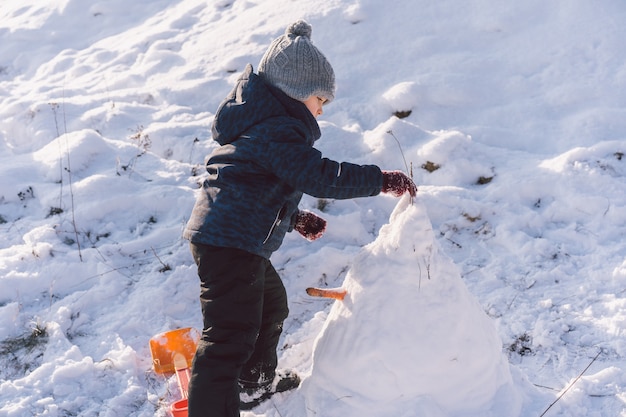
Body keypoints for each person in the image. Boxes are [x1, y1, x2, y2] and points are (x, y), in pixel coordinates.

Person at [182, 19, 417, 417]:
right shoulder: (279, 130)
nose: (322, 109)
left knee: (271, 306)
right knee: (226, 341)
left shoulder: (263, 129)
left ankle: (253, 382)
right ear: (293, 93)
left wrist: (293, 218)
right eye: (319, 99)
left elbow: (253, 189)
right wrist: (379, 179)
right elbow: (319, 175)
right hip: (230, 244)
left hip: (233, 238)